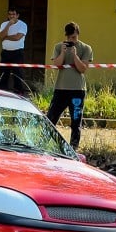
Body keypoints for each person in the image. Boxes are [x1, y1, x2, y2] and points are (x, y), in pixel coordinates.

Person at [46, 21, 93, 149]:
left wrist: (74, 55)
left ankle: (74, 146)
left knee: (76, 121)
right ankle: (48, 143)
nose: (71, 40)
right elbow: (57, 65)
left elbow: (82, 69)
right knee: (51, 118)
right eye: (68, 38)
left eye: (73, 37)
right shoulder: (58, 46)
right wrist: (63, 52)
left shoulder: (86, 48)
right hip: (61, 89)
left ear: (78, 34)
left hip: (77, 90)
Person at [0, 8, 28, 94]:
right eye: (10, 14)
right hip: (5, 52)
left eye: (13, 14)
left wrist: (6, 37)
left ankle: (19, 92)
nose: (11, 16)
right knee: (3, 73)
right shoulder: (4, 24)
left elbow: (17, 37)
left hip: (17, 52)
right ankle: (2, 92)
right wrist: (9, 25)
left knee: (17, 73)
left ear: (17, 15)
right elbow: (1, 36)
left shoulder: (23, 25)